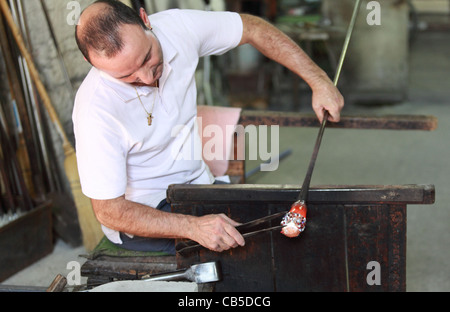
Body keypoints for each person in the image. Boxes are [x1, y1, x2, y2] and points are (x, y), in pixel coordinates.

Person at [73, 0, 344, 255]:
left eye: (147, 58)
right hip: (147, 211)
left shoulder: (177, 27)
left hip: (197, 183)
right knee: (254, 253)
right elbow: (109, 211)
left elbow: (252, 27)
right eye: (125, 76)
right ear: (92, 63)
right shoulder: (95, 109)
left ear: (146, 20)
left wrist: (318, 80)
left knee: (289, 226)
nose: (145, 77)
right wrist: (193, 227)